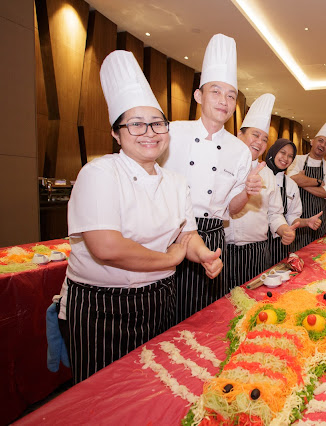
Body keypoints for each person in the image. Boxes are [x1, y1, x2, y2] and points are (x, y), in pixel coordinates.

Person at [62, 50, 222, 383]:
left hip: (160, 299)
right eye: (135, 124)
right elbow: (107, 247)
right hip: (102, 306)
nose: (149, 132)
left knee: (156, 385)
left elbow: (186, 235)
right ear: (116, 133)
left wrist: (203, 254)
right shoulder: (99, 173)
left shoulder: (175, 181)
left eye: (157, 123)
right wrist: (170, 259)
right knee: (103, 394)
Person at [161, 34, 262, 322]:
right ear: (198, 96)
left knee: (204, 317)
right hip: (169, 234)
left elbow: (233, 208)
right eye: (216, 91)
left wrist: (248, 192)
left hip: (213, 235)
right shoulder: (171, 133)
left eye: (231, 95)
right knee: (165, 316)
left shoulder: (239, 150)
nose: (224, 101)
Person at [224, 94, 298, 285]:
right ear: (239, 135)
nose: (259, 142)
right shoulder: (221, 165)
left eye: (265, 139)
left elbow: (275, 213)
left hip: (256, 252)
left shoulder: (267, 174)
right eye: (255, 135)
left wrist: (284, 230)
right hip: (221, 250)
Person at [265, 139, 323, 266]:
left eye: (290, 156)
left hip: (281, 242)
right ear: (274, 151)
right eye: (282, 152)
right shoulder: (259, 176)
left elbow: (291, 217)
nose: (285, 158)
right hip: (257, 243)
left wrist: (307, 222)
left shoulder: (291, 184)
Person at [287, 119, 326, 249]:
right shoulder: (297, 159)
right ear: (312, 142)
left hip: (320, 221)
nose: (323, 145)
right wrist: (318, 182)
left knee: (319, 254)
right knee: (297, 253)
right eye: (320, 140)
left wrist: (301, 181)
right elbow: (291, 179)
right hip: (298, 219)